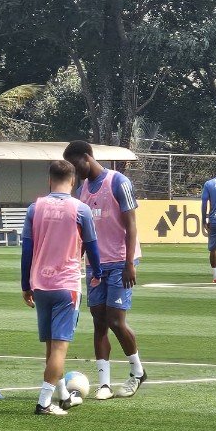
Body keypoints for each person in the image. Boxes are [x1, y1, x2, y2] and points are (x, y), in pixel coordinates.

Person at [63, 141, 147, 399]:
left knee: (115, 320)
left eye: (76, 166)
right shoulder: (84, 190)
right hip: (96, 265)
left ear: (87, 157)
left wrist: (130, 262)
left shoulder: (119, 182)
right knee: (99, 321)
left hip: (121, 261)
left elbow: (131, 225)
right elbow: (83, 232)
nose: (75, 173)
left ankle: (137, 372)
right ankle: (105, 384)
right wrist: (77, 261)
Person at [22, 160, 102, 416]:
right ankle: (44, 403)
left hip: (40, 285)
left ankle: (64, 396)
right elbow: (92, 246)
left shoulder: (35, 208)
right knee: (59, 348)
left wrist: (26, 284)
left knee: (50, 346)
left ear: (49, 180)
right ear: (74, 181)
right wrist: (97, 273)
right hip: (66, 285)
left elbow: (26, 249)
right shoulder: (80, 209)